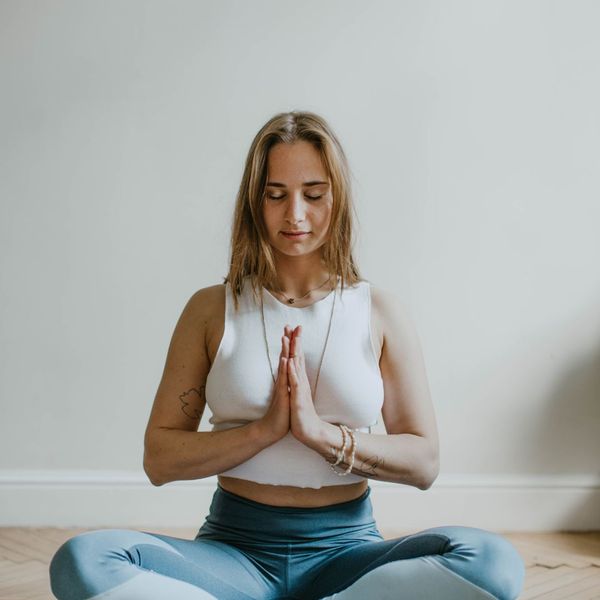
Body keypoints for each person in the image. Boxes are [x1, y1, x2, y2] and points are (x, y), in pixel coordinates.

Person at [49, 110, 525, 600]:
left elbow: (424, 462)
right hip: (233, 555)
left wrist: (320, 435)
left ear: (336, 198)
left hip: (349, 557)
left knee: (492, 562)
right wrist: (263, 432)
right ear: (254, 203)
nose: (295, 214)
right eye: (276, 195)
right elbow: (159, 459)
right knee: (84, 561)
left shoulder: (378, 311)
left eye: (313, 195)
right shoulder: (212, 309)